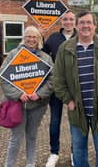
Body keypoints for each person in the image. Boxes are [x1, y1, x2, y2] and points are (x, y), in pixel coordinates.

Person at [53, 10, 98, 167]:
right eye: (82, 23)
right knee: (78, 150)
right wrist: (68, 101)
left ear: (95, 26)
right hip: (77, 110)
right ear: (76, 26)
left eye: (88, 22)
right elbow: (57, 79)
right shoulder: (65, 48)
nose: (85, 26)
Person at [1, 25, 53, 167]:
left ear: (39, 39)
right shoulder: (13, 55)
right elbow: (4, 78)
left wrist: (39, 94)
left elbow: (52, 80)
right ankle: (9, 165)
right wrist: (18, 94)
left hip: (37, 105)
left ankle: (31, 164)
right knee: (16, 138)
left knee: (32, 136)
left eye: (34, 37)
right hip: (18, 105)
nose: (31, 39)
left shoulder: (46, 58)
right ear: (24, 38)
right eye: (28, 36)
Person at [42, 10, 77, 167]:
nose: (68, 22)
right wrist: (40, 37)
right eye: (65, 19)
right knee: (55, 121)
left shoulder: (80, 37)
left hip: (75, 88)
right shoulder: (53, 38)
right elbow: (41, 57)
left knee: (74, 122)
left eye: (71, 19)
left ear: (75, 21)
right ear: (61, 22)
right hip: (57, 87)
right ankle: (54, 153)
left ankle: (74, 152)